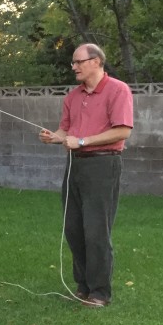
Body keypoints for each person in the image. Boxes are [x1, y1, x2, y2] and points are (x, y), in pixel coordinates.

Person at [38, 43, 133, 307]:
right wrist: (53, 138)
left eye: (78, 62)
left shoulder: (118, 90)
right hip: (75, 165)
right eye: (73, 63)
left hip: (103, 165)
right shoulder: (72, 96)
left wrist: (82, 141)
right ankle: (83, 285)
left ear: (96, 62)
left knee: (96, 231)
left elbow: (122, 131)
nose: (74, 67)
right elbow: (65, 131)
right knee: (74, 229)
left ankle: (100, 292)